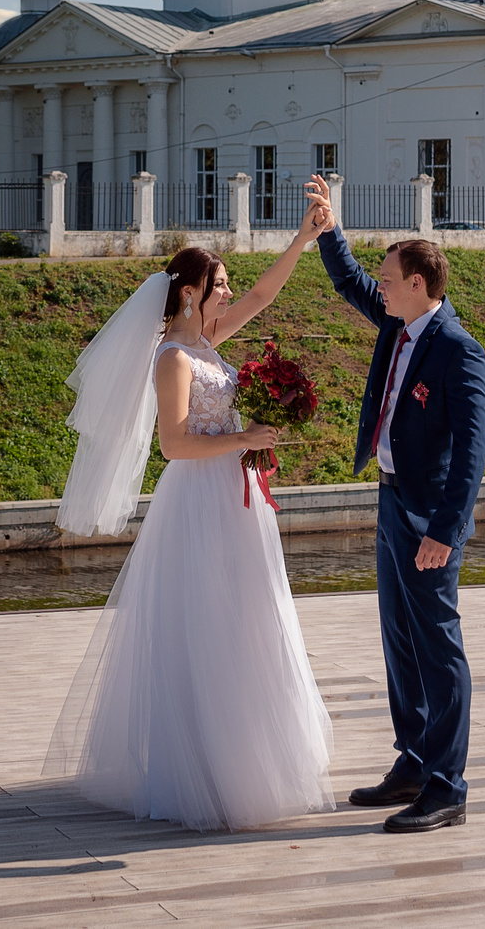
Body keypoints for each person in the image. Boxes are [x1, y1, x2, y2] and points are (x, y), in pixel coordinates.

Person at [44, 224, 335, 830]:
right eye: (218, 285)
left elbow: (261, 299)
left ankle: (250, 756)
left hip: (236, 494)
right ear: (186, 295)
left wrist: (304, 240)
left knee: (250, 616)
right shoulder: (174, 357)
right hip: (198, 498)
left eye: (226, 284)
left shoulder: (208, 341)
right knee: (206, 624)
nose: (229, 294)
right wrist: (244, 438)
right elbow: (175, 445)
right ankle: (203, 771)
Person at [303, 172, 485, 834]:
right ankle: (412, 761)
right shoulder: (398, 320)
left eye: (390, 276)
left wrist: (444, 529)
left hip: (427, 518)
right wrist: (331, 230)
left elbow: (471, 454)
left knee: (438, 647)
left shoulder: (458, 351)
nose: (380, 283)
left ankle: (448, 784)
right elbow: (352, 281)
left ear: (419, 283)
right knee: (400, 643)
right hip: (389, 504)